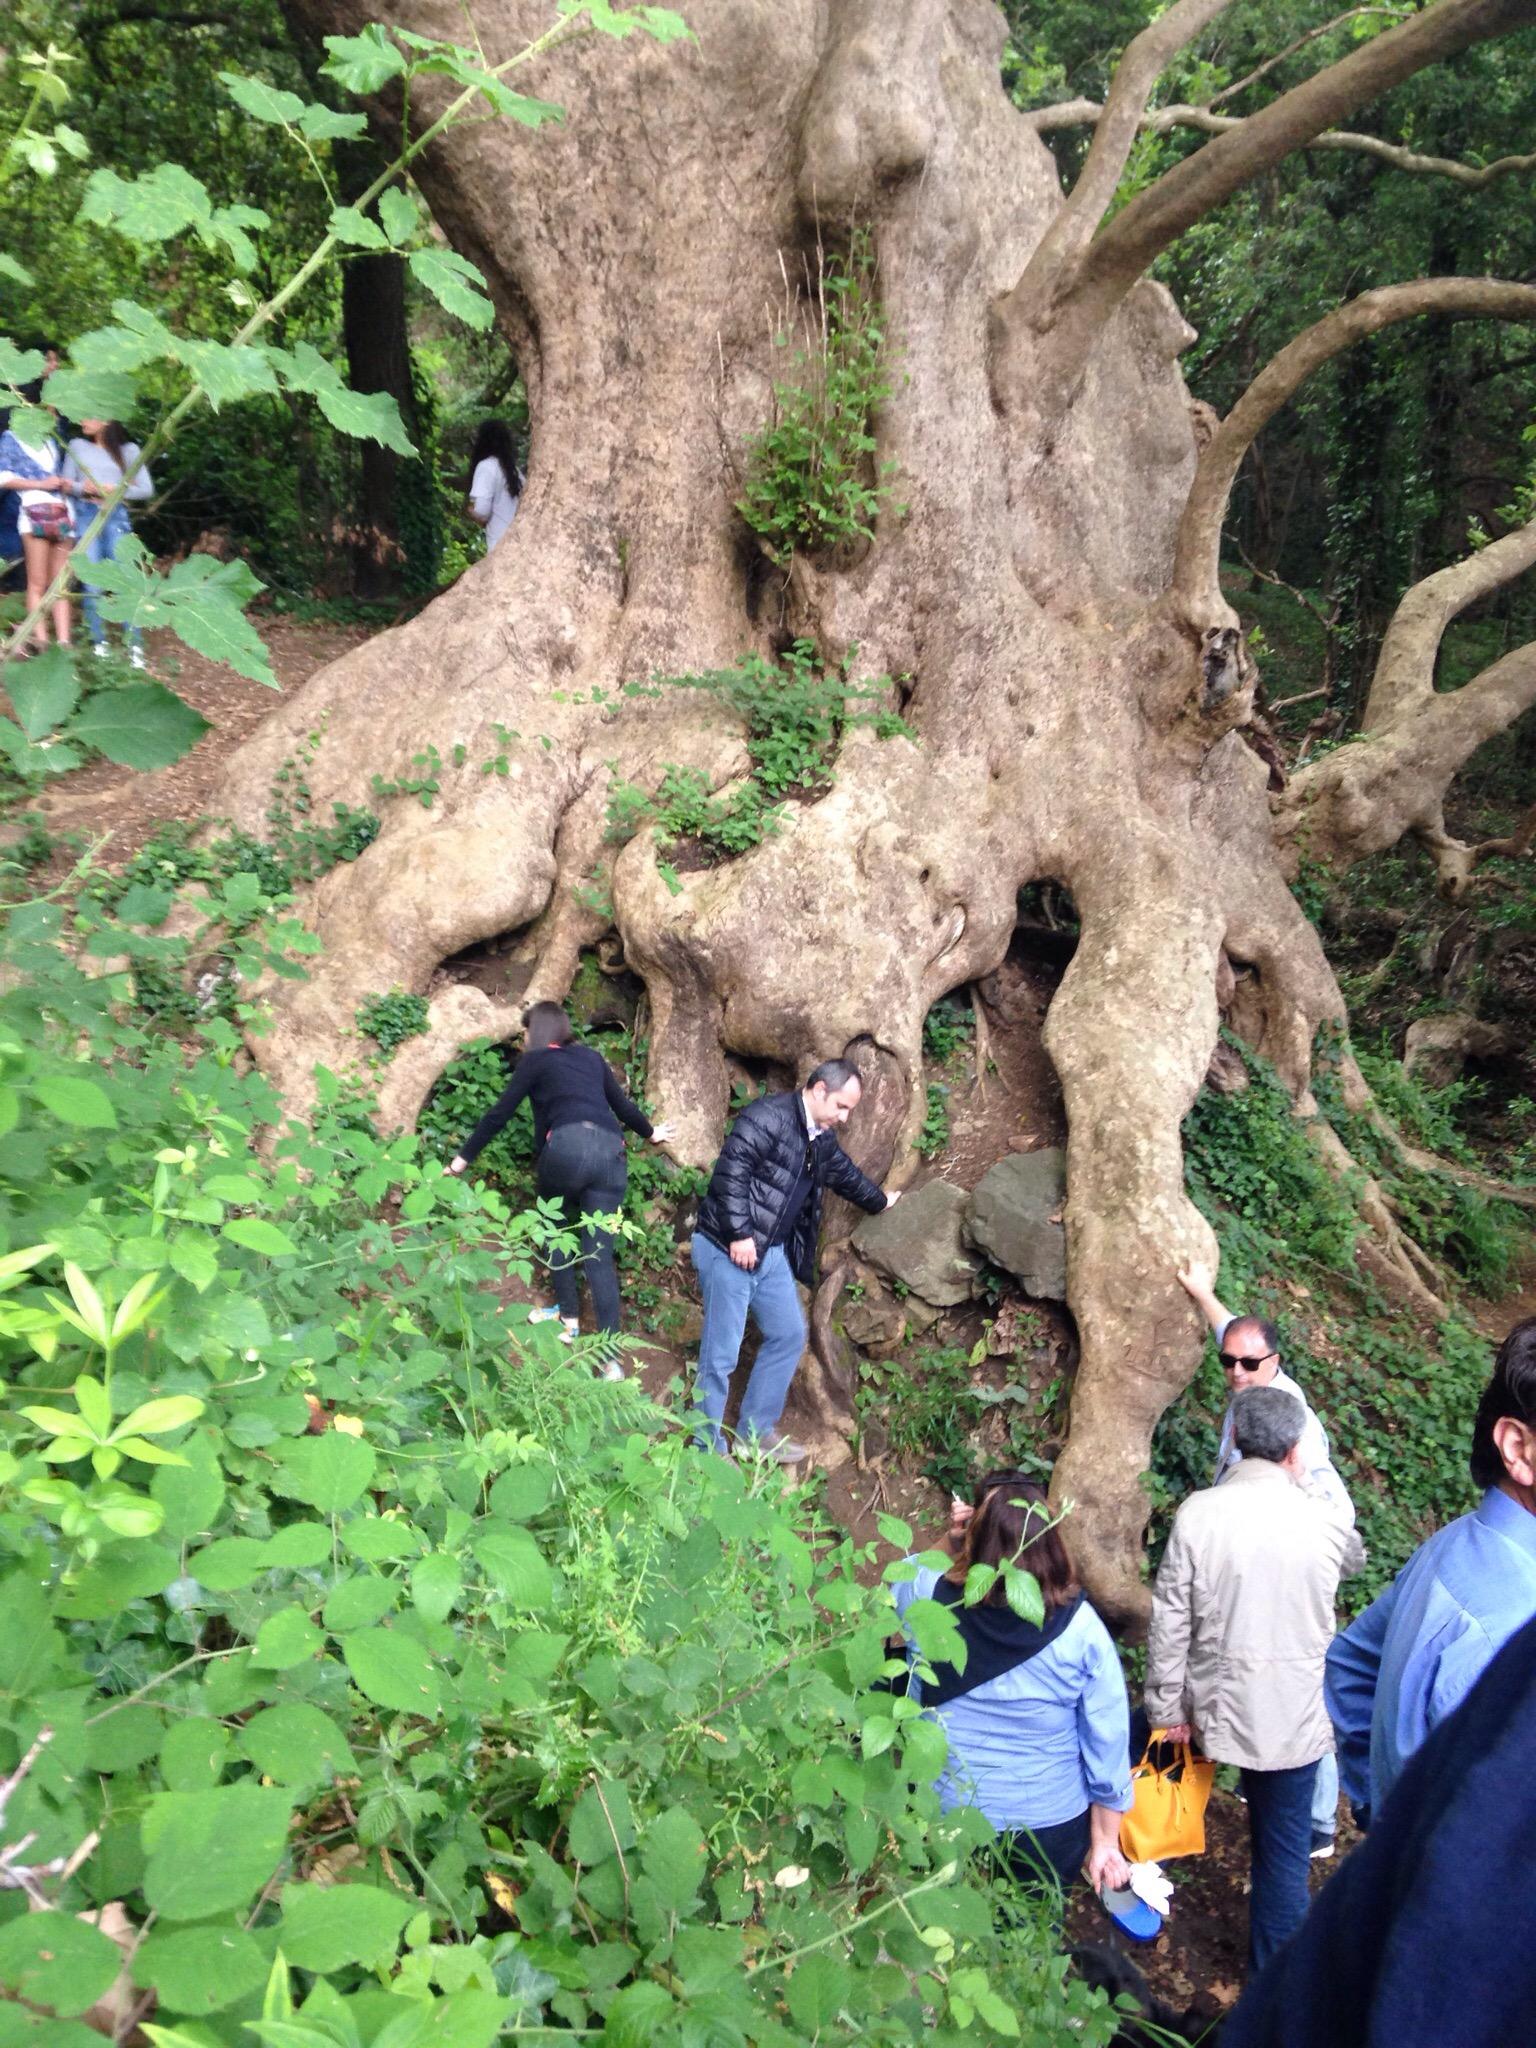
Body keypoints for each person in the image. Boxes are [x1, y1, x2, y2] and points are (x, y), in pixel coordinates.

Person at [1222, 1611, 1536, 2048]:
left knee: (1281, 1852)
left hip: (1251, 1703)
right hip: (1297, 1715)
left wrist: (1374, 1801)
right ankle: (1319, 1827)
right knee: (1286, 1846)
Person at [1145, 1386, 1354, 1973]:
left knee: (1167, 1787)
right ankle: (1274, 1992)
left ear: (1233, 1439)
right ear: (1295, 1447)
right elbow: (1354, 1556)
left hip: (1210, 1710)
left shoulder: (1198, 1513)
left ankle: (1136, 1866)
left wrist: (1166, 1710)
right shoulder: (1326, 1518)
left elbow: (1170, 1622)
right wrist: (1311, 1481)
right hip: (1294, 1719)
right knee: (1283, 1862)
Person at [1324, 1315, 1536, 1829]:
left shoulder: (1455, 1542)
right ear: (1517, 1448)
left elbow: (1349, 1666)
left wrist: (1380, 1810)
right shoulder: (1513, 1630)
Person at [1177, 1256, 1357, 1857]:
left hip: (1289, 1552)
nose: (1235, 1371)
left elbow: (1337, 1515)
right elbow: (1231, 1331)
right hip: (1250, 1540)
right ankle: (1272, 1785)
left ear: (1275, 1364)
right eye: (1228, 1361)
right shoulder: (1249, 1375)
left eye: (1249, 1364)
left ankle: (1316, 1820)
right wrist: (1203, 1292)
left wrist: (1301, 1499)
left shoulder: (1292, 1422)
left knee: (1299, 1683)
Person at [891, 1475, 1133, 1905]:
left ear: (975, 1537)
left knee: (941, 1932)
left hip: (941, 1808)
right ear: (1052, 1543)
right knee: (1027, 1945)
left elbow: (900, 1576)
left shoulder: (925, 1594)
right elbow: (1108, 1738)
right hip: (1047, 1824)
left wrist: (950, 1543)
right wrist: (1105, 1843)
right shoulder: (1082, 1631)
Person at [447, 1002, 674, 1375]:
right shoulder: (591, 1058)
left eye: (525, 1033)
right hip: (611, 1154)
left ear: (537, 1033)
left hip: (567, 1149)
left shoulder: (534, 1062)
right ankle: (611, 1362)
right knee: (598, 1253)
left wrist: (461, 1161)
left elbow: (499, 1113)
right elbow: (622, 1105)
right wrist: (651, 1133)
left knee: (552, 1224)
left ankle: (568, 1317)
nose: (523, 1040)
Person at [691, 1059, 900, 1461]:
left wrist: (880, 1201)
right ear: (819, 1090)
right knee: (720, 1355)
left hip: (769, 1255)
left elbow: (844, 1174)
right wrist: (739, 1233)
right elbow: (730, 1173)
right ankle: (706, 1450)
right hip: (726, 1249)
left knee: (789, 1334)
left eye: (850, 1110)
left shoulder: (819, 1137)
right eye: (841, 1106)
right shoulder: (767, 1117)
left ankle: (754, 1433)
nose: (844, 1116)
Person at [63, 417, 153, 667]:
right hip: (85, 515)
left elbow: (146, 489)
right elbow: (67, 484)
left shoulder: (129, 450)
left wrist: (115, 489)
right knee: (91, 583)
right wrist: (85, 488)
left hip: (117, 516)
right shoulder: (77, 446)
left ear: (106, 419)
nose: (82, 420)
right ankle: (98, 644)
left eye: (89, 415)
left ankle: (134, 646)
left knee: (127, 581)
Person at [0, 388, 73, 652]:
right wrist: (41, 483)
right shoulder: (11, 438)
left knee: (61, 582)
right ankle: (41, 641)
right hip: (32, 511)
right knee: (37, 581)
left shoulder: (50, 439)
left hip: (61, 510)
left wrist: (60, 485)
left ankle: (64, 644)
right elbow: (4, 478)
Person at [466, 420, 521, 552]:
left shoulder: (486, 467)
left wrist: (470, 509)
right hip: (519, 542)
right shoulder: (516, 472)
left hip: (499, 545)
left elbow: (481, 510)